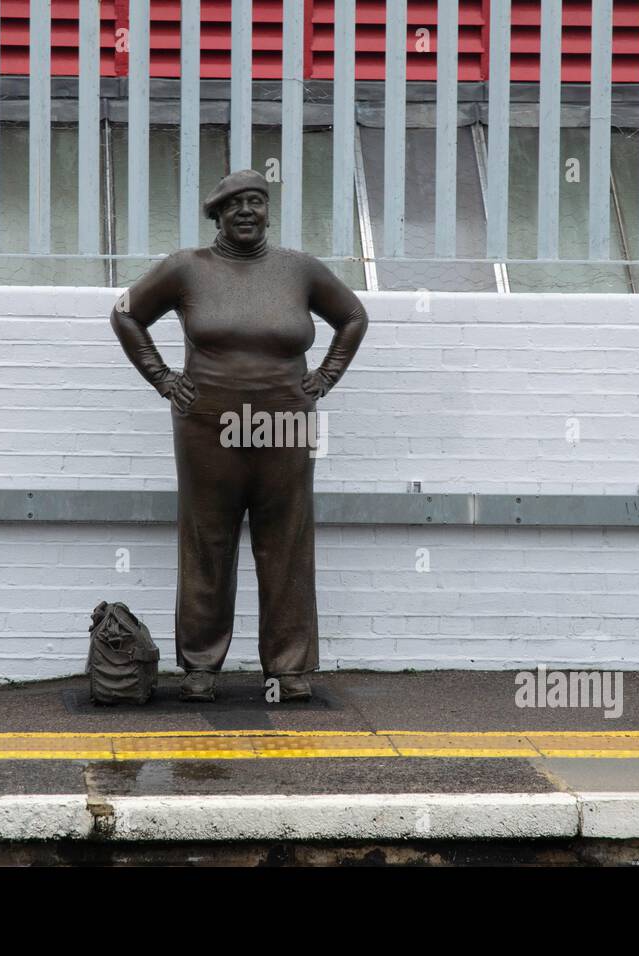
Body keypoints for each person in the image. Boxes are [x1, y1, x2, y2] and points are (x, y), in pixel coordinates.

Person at [110, 169, 368, 702]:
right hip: (206, 425)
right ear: (217, 215)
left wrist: (325, 376)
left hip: (285, 424)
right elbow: (126, 315)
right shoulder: (187, 268)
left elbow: (354, 316)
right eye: (235, 205)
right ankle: (201, 668)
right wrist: (163, 380)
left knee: (287, 542)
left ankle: (289, 670)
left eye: (256, 202)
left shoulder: (299, 270)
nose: (247, 211)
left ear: (267, 210)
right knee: (208, 540)